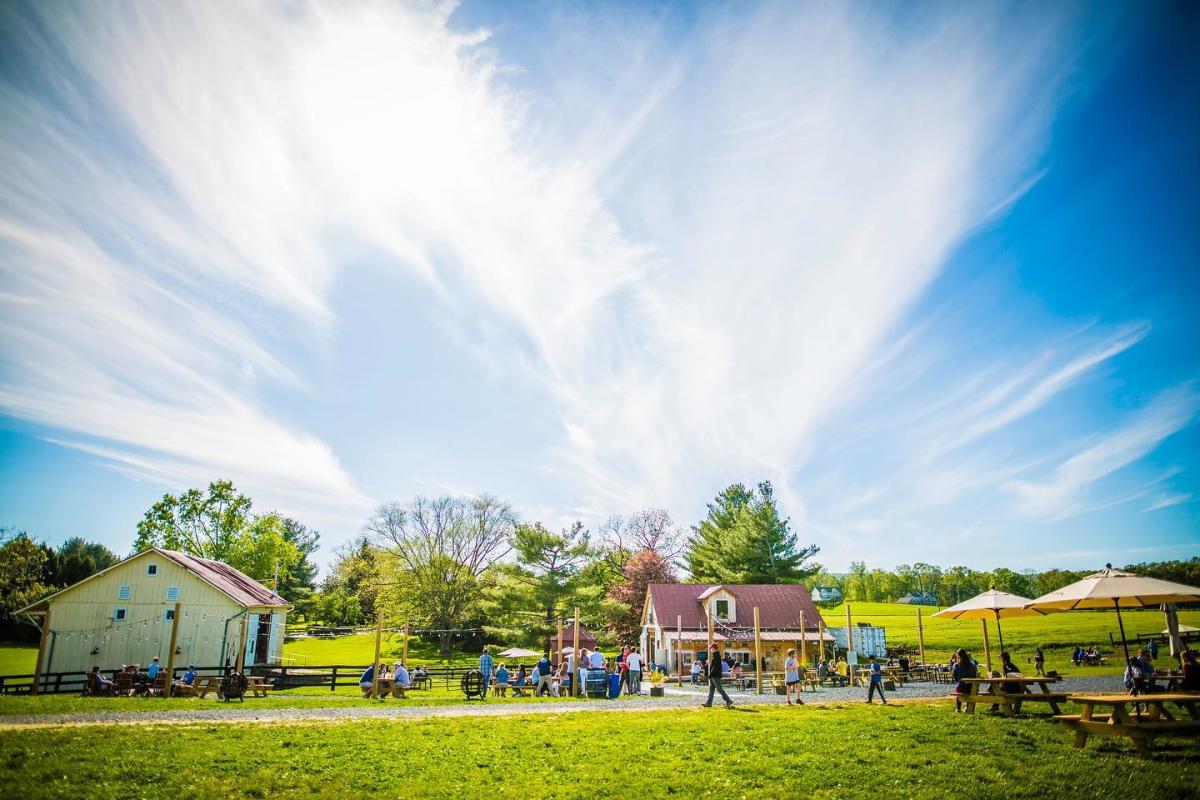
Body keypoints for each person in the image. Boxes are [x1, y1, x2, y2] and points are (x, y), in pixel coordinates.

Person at [702, 643, 733, 708]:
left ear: (713, 648)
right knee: (712, 689)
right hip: (714, 675)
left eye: (711, 648)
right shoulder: (715, 655)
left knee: (719, 689)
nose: (710, 649)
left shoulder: (717, 656)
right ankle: (709, 703)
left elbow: (716, 667)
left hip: (715, 675)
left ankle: (728, 700)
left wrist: (711, 674)